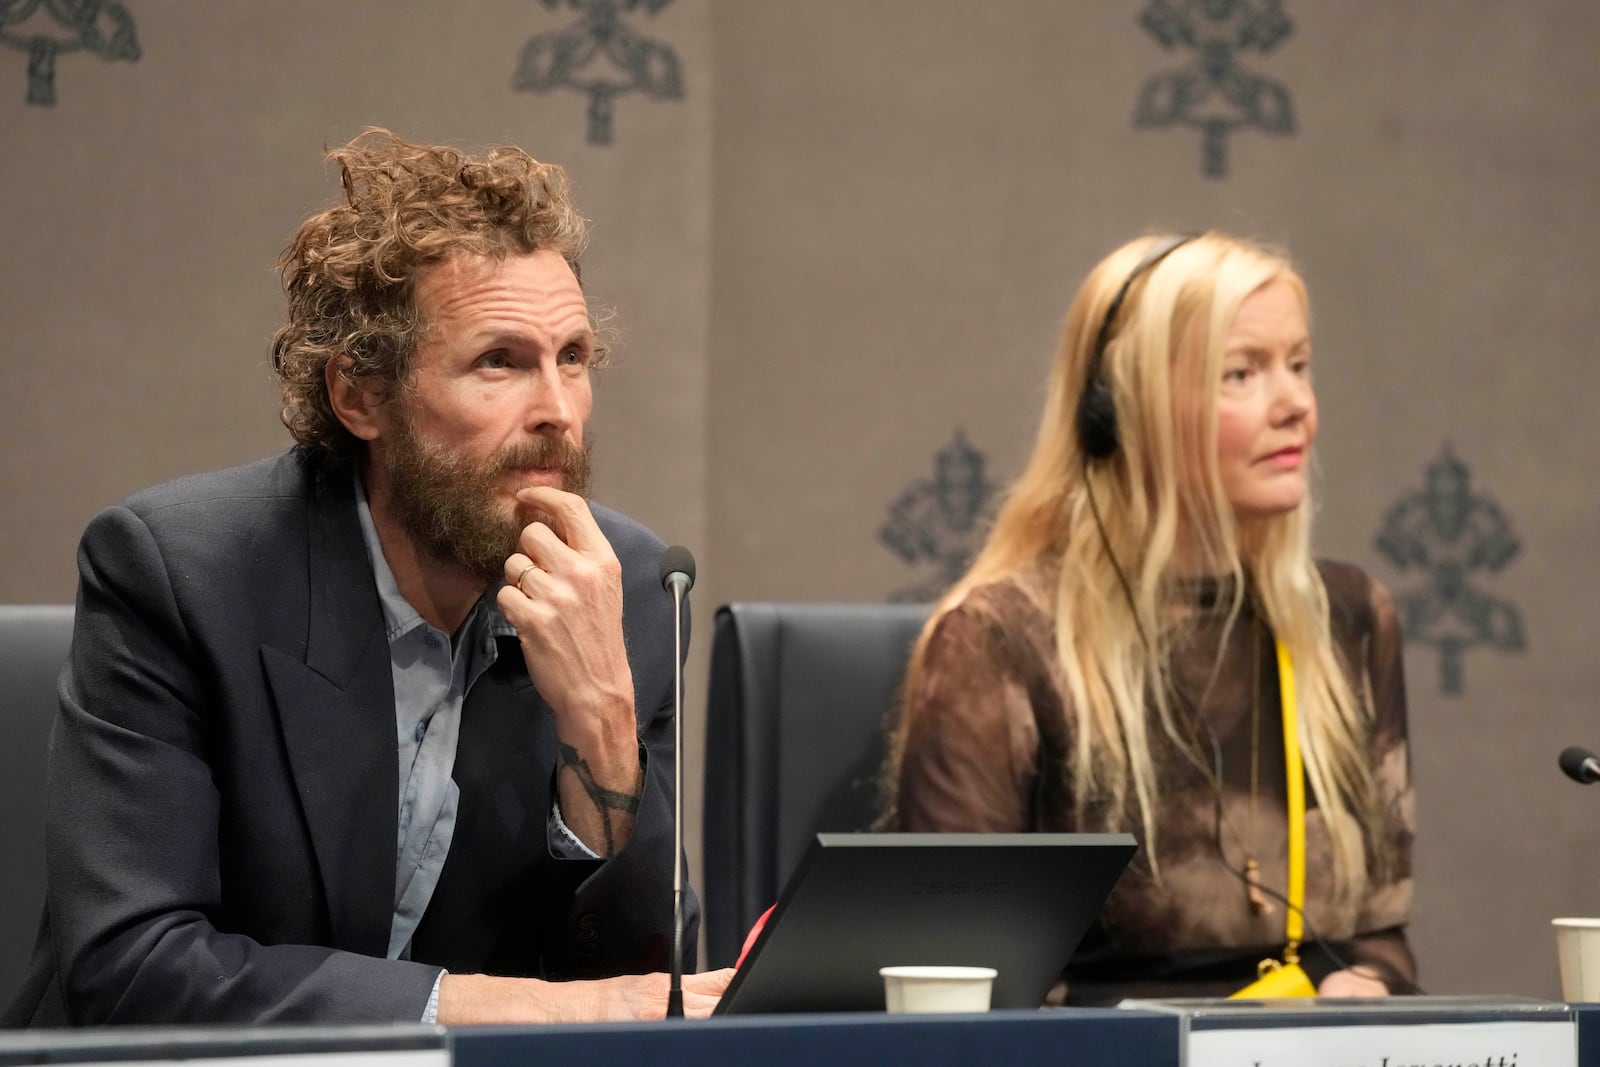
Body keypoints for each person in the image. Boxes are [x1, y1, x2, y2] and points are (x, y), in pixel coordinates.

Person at [4, 130, 730, 1026]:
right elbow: (135, 967)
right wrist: (501, 1008)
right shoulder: (182, 576)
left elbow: (644, 993)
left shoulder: (630, 597)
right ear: (361, 396)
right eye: (499, 361)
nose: (557, 411)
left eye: (572, 358)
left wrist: (604, 719)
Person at [881, 231, 1417, 1004]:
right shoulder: (1000, 636)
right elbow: (959, 983)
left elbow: (1383, 932)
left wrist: (1366, 985)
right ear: (1121, 411)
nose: (1295, 403)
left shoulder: (1351, 617)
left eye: (1299, 365)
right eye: (1242, 373)